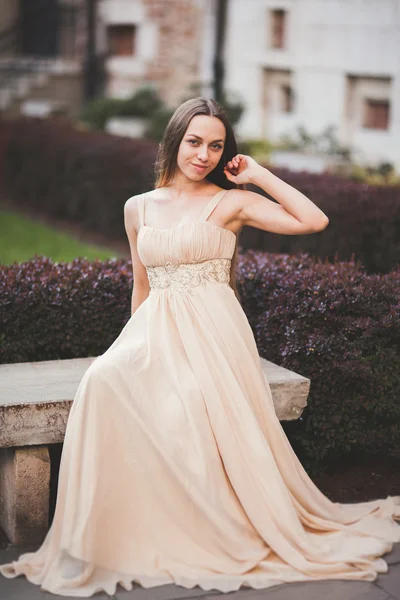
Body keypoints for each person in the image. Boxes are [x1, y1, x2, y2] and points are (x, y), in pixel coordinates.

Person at [1, 97, 399, 597]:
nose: (204, 154)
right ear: (174, 140)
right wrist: (131, 345)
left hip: (214, 331)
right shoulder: (138, 207)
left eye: (215, 145)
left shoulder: (229, 202)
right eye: (194, 142)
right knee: (103, 381)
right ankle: (116, 525)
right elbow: (141, 285)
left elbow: (313, 220)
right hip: (154, 328)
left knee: (188, 398)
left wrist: (256, 173)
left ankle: (206, 524)